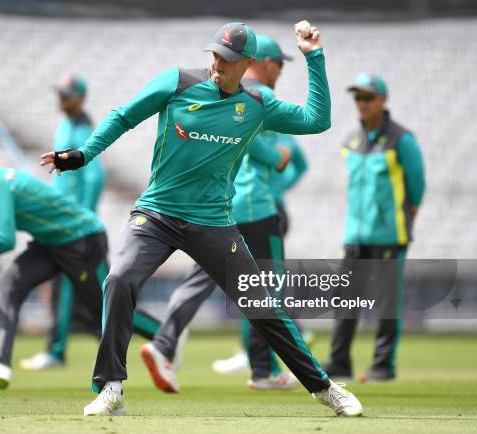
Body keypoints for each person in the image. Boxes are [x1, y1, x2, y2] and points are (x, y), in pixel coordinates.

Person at [42, 21, 362, 417]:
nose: (217, 64)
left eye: (227, 59)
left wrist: (314, 56)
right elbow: (123, 116)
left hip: (214, 223)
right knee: (119, 279)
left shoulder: (257, 103)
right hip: (156, 214)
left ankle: (324, 388)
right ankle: (110, 388)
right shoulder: (176, 83)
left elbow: (318, 119)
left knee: (262, 308)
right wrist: (83, 154)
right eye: (214, 54)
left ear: (248, 62)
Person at [138, 35, 307, 394]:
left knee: (200, 280)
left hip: (216, 209)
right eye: (279, 63)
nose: (279, 70)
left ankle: (164, 342)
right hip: (255, 208)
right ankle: (263, 368)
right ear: (262, 62)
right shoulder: (261, 97)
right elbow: (265, 145)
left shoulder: (221, 94)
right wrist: (276, 160)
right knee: (264, 291)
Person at [0, 142, 158, 389]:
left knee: (103, 312)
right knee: (3, 288)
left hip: (81, 238)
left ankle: (166, 334)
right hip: (50, 243)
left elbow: (3, 239)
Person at [323, 73, 425, 383]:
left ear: (383, 99)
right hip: (354, 233)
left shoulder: (402, 139)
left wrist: (402, 224)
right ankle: (339, 362)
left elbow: (417, 188)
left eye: (368, 98)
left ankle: (383, 366)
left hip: (389, 235)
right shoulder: (350, 140)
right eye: (358, 98)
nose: (362, 104)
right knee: (345, 300)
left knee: (387, 302)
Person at [19, 74, 114, 371]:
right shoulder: (66, 125)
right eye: (59, 93)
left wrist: (82, 215)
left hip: (74, 226)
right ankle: (164, 335)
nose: (60, 99)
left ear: (80, 98)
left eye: (66, 95)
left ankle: (57, 350)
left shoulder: (82, 128)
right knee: (99, 294)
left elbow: (95, 176)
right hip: (64, 221)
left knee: (84, 292)